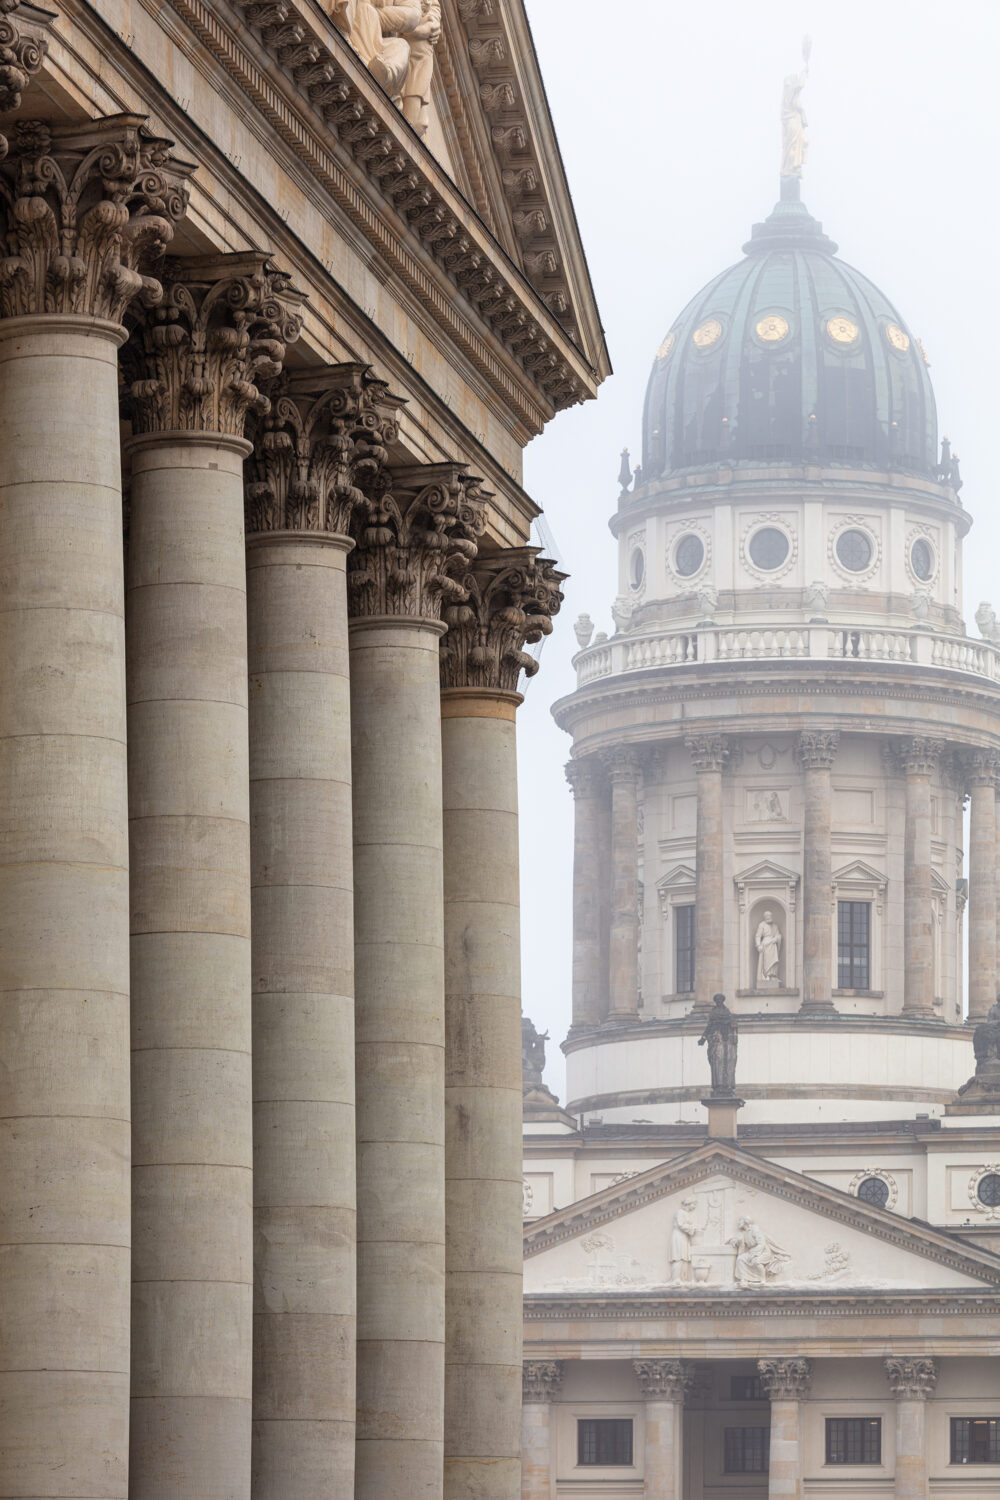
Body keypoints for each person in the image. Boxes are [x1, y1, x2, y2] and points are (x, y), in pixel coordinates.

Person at [729, 1217, 790, 1287]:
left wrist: (754, 1254)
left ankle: (762, 1280)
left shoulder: (755, 1230)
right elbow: (740, 1241)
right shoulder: (744, 1232)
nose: (738, 1223)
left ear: (745, 1222)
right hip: (752, 1251)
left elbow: (761, 1244)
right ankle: (744, 1279)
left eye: (740, 1222)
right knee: (740, 1259)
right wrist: (734, 1241)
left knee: (756, 1261)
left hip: (763, 1251)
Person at [698, 993, 738, 1096]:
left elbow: (733, 1025)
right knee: (717, 1061)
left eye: (720, 999)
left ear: (722, 1001)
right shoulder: (713, 1013)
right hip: (716, 1040)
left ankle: (728, 1084)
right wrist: (703, 1038)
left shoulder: (727, 1012)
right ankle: (718, 1085)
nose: (719, 1001)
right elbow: (709, 1026)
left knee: (728, 1061)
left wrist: (732, 1030)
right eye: (717, 1000)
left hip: (726, 1041)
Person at [670, 1197, 698, 1283]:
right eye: (693, 1204)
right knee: (679, 1257)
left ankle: (683, 1278)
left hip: (684, 1237)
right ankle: (675, 1278)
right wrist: (692, 1229)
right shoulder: (680, 1212)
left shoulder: (686, 1213)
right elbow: (681, 1224)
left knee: (685, 1258)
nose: (694, 1207)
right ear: (688, 1204)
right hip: (679, 1236)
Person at [755, 909, 782, 987]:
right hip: (765, 944)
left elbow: (778, 935)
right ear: (764, 917)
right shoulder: (762, 925)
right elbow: (758, 936)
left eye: (769, 916)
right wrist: (758, 945)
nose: (768, 917)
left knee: (774, 960)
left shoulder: (775, 926)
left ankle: (773, 976)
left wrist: (776, 938)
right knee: (766, 961)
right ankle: (766, 976)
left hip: (773, 945)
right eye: (766, 916)